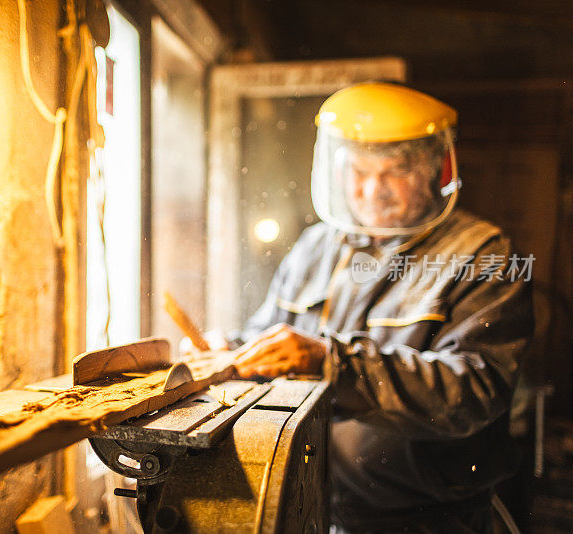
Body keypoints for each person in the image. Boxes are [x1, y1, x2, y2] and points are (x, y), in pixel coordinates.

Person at [227, 82, 533, 533]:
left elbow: (476, 390)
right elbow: (270, 335)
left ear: (437, 169)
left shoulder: (483, 256)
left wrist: (336, 365)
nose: (373, 190)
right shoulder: (317, 246)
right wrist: (230, 350)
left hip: (426, 520)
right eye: (358, 171)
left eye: (396, 171)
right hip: (307, 502)